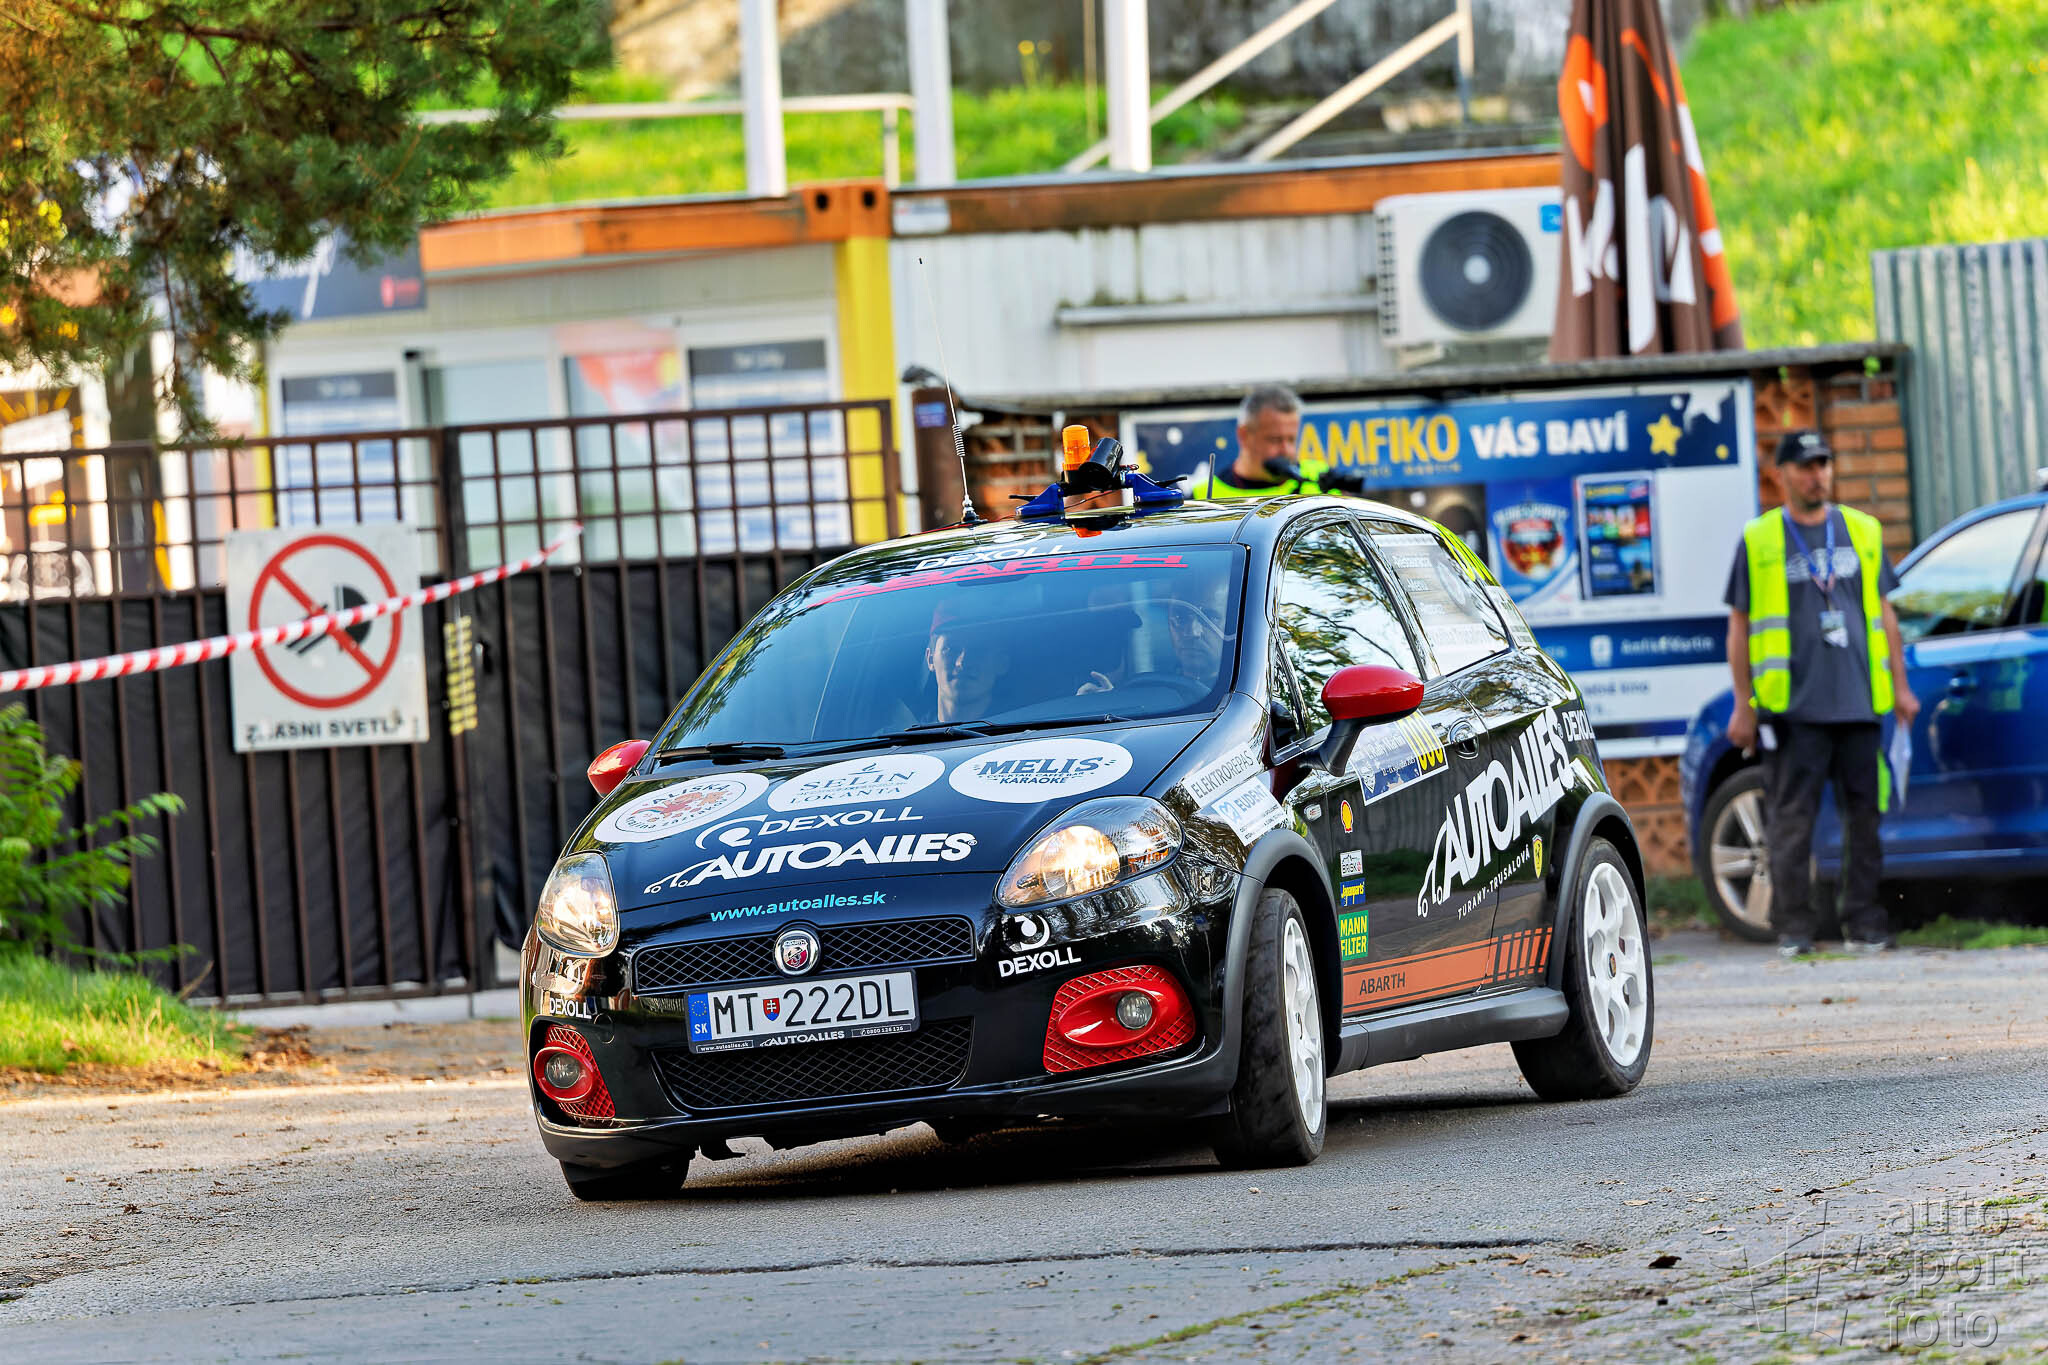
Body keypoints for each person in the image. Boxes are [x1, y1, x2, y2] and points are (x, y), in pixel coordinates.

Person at [1723, 429, 1919, 958]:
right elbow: (1739, 625)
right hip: (1795, 708)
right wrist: (1742, 702)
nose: (1818, 475)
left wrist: (1901, 687)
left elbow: (1885, 613)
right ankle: (1794, 928)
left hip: (1859, 702)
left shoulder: (1862, 530)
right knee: (1791, 821)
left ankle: (1864, 921)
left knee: (1866, 818)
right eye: (1807, 466)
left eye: (1824, 464)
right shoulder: (1760, 538)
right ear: (1782, 475)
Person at [1204, 385, 1365, 500]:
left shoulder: (1324, 481)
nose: (1286, 450)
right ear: (1244, 435)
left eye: (1291, 439)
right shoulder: (1203, 495)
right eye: (1275, 440)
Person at [925, 601, 1014, 722]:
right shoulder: (907, 732)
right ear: (930, 659)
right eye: (950, 649)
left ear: (1001, 663)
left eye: (978, 650)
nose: (962, 662)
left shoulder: (1028, 729)